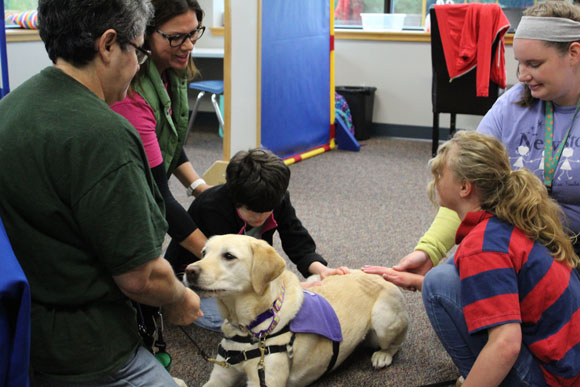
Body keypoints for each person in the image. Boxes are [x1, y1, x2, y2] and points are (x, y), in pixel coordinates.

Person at [0, 0, 203, 385]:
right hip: (89, 354)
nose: (139, 65)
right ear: (109, 45)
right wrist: (180, 299)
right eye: (139, 50)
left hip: (22, 342)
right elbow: (140, 277)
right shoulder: (105, 135)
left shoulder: (9, 109)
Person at [365, 0, 580, 289]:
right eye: (519, 63)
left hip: (574, 252)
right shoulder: (512, 105)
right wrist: (429, 251)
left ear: (574, 53)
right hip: (522, 247)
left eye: (534, 64)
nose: (523, 76)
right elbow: (466, 182)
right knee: (441, 285)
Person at [411, 132, 579, 384]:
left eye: (439, 175)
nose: (435, 181)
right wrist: (413, 281)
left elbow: (506, 344)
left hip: (552, 379)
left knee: (438, 284)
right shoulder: (510, 221)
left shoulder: (483, 245)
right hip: (568, 366)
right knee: (446, 275)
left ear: (465, 187)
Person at [165, 148, 349, 330]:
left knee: (270, 306)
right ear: (234, 197)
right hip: (198, 278)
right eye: (252, 211)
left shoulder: (276, 198)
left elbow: (296, 237)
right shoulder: (211, 207)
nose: (260, 217)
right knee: (235, 318)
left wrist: (321, 269)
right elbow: (231, 272)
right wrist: (290, 288)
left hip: (240, 275)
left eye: (267, 210)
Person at [112, 0, 210, 259]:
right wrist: (214, 254)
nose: (189, 45)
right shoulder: (133, 97)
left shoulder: (169, 72)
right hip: (126, 213)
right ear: (144, 34)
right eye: (177, 37)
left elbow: (169, 143)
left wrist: (200, 187)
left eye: (193, 33)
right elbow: (159, 195)